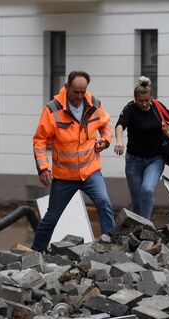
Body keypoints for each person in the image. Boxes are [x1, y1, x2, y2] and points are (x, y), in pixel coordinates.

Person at [32, 71, 115, 253]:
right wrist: (43, 168)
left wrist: (106, 140)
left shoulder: (95, 103)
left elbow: (105, 125)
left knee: (104, 203)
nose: (79, 96)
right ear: (67, 87)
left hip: (90, 170)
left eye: (82, 92)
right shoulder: (53, 109)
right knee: (52, 216)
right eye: (75, 92)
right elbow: (40, 141)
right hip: (64, 176)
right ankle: (36, 251)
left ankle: (111, 245)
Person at [114, 76, 169, 219]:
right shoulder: (130, 109)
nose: (144, 104)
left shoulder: (157, 106)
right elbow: (120, 124)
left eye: (147, 101)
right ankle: (136, 228)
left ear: (151, 97)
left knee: (147, 189)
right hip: (134, 161)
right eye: (140, 101)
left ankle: (145, 225)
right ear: (135, 99)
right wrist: (119, 141)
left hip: (155, 159)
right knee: (136, 200)